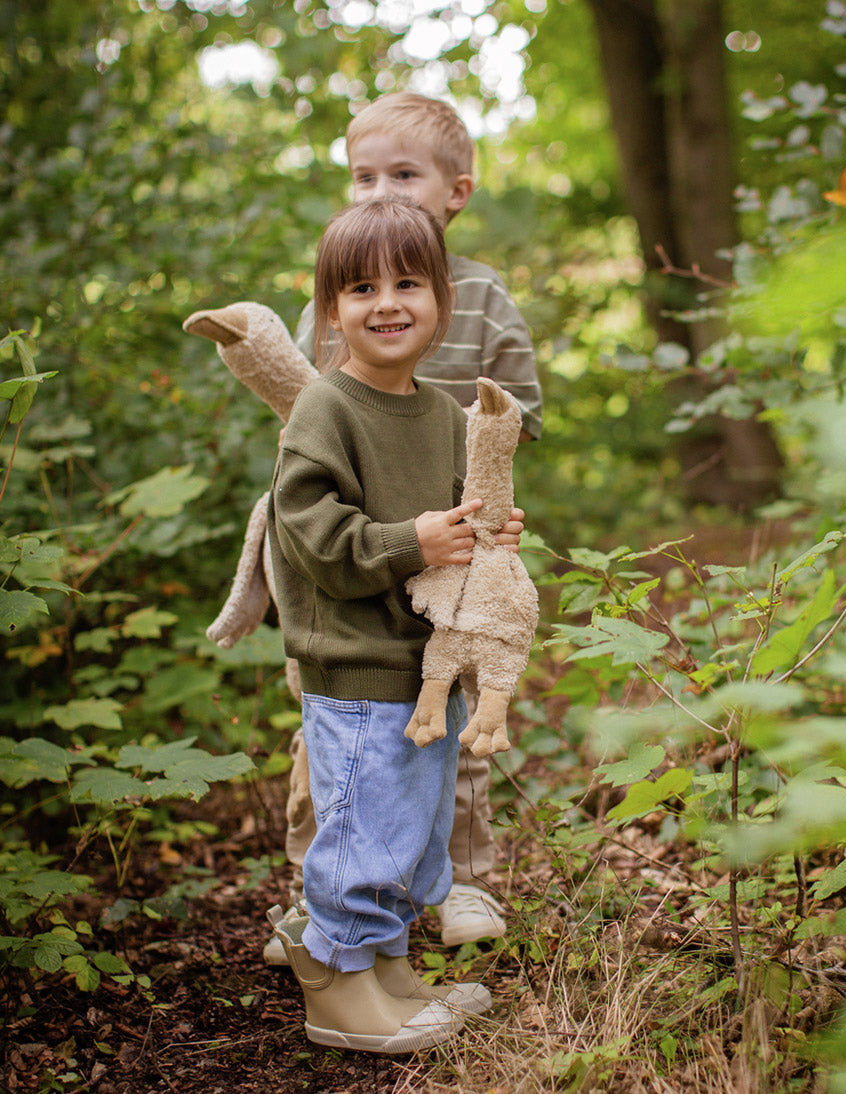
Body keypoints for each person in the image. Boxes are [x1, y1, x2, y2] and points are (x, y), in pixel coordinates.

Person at [266, 92, 542, 961]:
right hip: (362, 559)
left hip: (451, 547)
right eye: (363, 175)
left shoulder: (479, 297)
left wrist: (485, 509)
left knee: (449, 720)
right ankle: (323, 899)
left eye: (404, 174)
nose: (380, 188)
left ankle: (459, 880)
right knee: (335, 737)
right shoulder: (346, 296)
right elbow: (321, 416)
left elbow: (516, 416)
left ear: (456, 191)